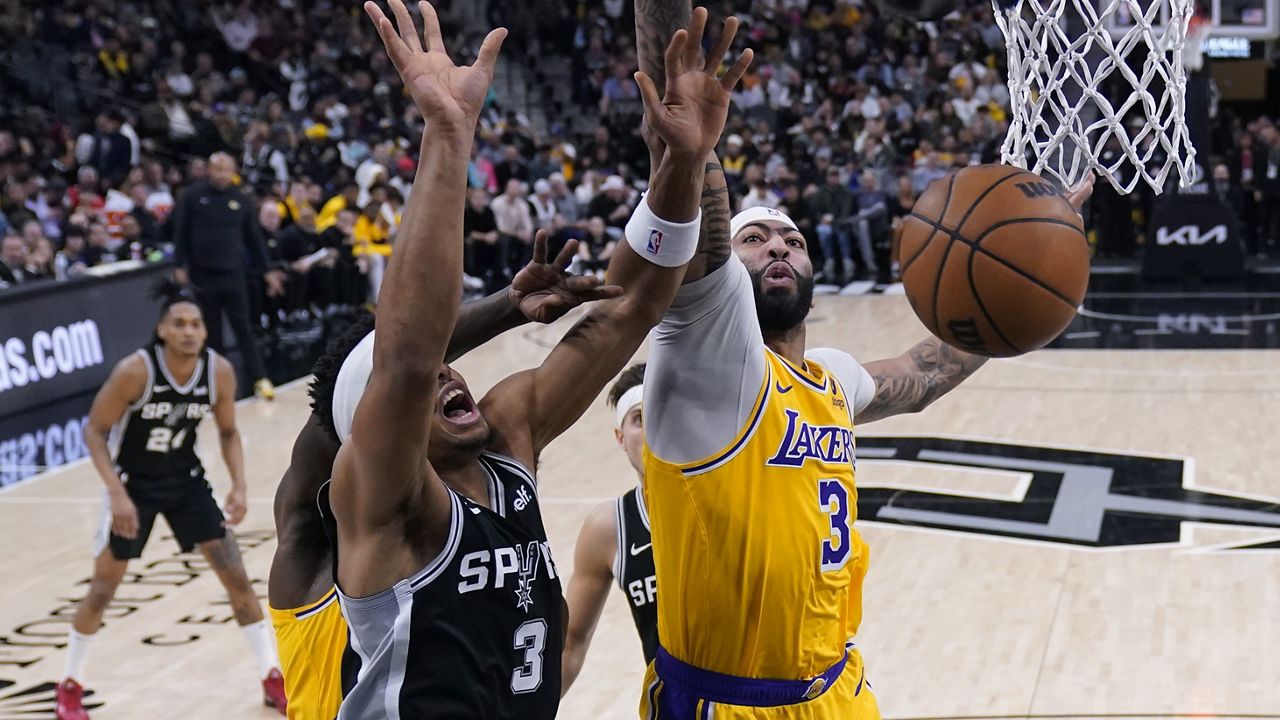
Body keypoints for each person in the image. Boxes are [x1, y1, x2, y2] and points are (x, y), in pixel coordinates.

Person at [323, 2, 746, 716]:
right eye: (430, 380)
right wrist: (448, 136)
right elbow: (405, 357)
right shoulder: (382, 498)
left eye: (448, 370)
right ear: (378, 425)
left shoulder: (507, 435)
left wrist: (683, 162)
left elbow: (635, 301)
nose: (449, 374)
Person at [268, 248, 629, 720]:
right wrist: (503, 308)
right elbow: (393, 374)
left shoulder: (454, 520)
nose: (436, 371)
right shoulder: (310, 531)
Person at [55, 281, 287, 720]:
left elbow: (228, 431)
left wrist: (239, 485)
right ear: (162, 329)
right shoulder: (135, 371)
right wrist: (116, 492)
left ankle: (271, 675)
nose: (189, 332)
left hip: (186, 482)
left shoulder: (218, 371)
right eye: (179, 324)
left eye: (196, 324)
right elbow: (94, 430)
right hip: (133, 486)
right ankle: (69, 684)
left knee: (237, 578)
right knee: (104, 590)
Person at [560, 364, 657, 696]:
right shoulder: (609, 529)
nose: (654, 428)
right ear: (620, 438)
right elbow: (570, 644)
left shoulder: (730, 501)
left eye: (663, 411)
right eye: (639, 419)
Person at [171, 152, 285, 399]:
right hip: (202, 274)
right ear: (208, 170)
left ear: (233, 172)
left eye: (226, 170)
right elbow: (180, 232)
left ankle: (260, 379)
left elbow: (254, 239)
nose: (222, 174)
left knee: (244, 327)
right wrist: (179, 264)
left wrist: (268, 271)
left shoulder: (240, 200)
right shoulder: (192, 196)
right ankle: (217, 385)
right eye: (217, 169)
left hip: (233, 274)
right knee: (211, 333)